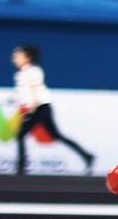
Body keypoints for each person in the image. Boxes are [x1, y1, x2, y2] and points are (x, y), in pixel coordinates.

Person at [10, 44, 94, 176]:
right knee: (55, 135)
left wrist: (31, 109)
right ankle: (87, 155)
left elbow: (34, 91)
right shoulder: (23, 73)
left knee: (21, 135)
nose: (14, 58)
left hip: (39, 107)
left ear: (27, 57)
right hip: (38, 108)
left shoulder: (32, 71)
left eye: (18, 55)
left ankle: (21, 168)